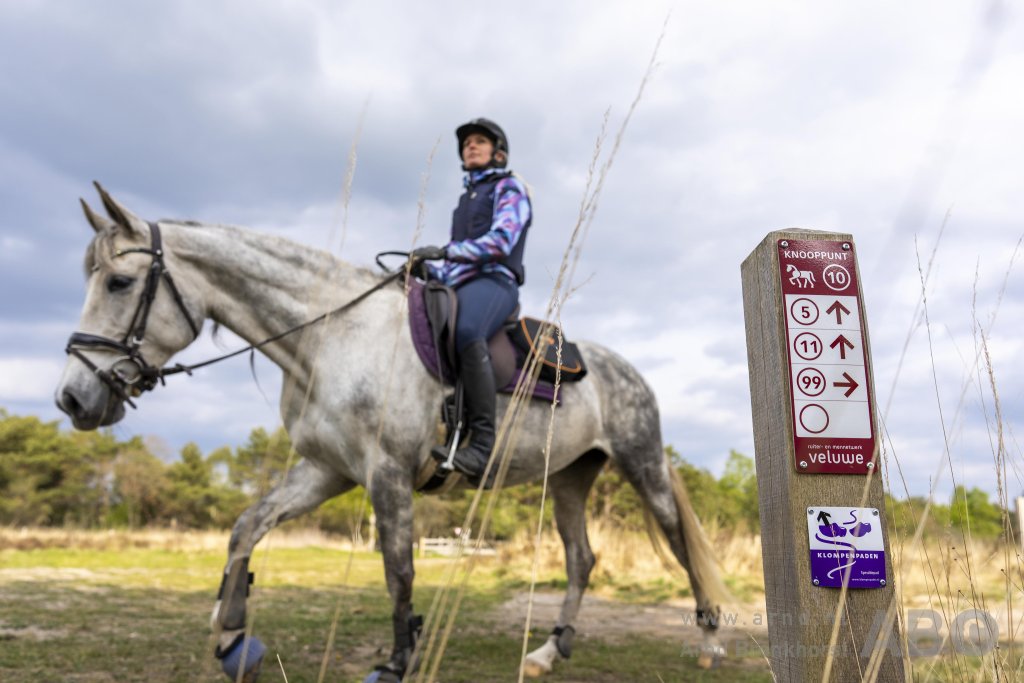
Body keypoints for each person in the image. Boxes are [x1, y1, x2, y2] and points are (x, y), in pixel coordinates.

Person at [412, 118, 532, 482]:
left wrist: (446, 252)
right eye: (466, 144)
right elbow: (454, 266)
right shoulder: (465, 201)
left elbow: (500, 242)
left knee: (466, 331)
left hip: (496, 281)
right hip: (462, 283)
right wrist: (427, 271)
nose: (471, 147)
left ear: (499, 152)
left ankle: (481, 446)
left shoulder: (509, 188)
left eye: (480, 142)